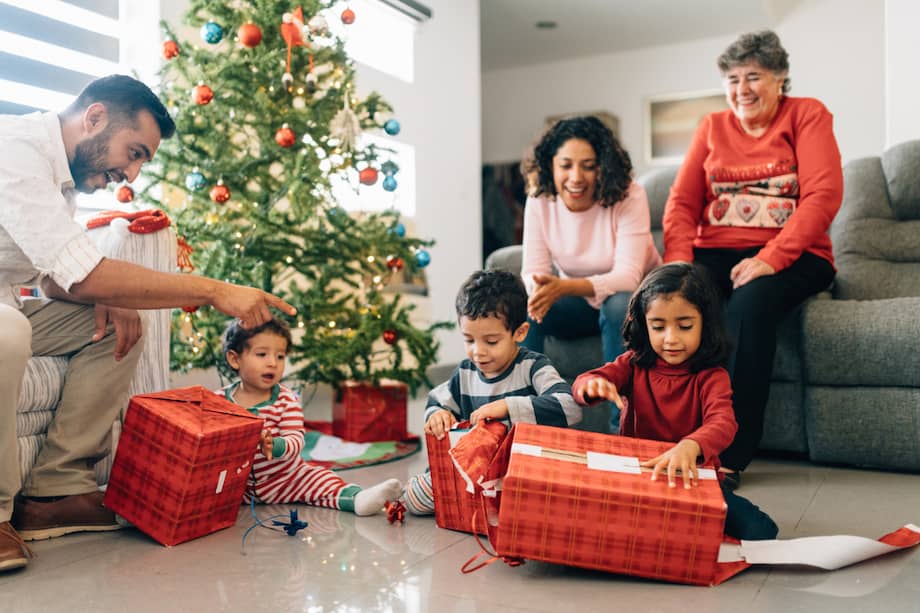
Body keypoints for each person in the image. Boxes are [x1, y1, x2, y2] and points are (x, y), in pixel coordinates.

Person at [0, 75, 296, 572]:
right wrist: (215, 290)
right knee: (10, 332)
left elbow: (55, 274)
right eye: (132, 151)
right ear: (94, 117)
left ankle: (54, 490)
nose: (130, 174)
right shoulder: (16, 151)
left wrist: (110, 296)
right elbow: (86, 273)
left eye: (141, 161)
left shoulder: (61, 181)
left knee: (120, 324)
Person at [662, 30, 843, 487]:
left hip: (797, 254)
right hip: (716, 249)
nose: (742, 89)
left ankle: (726, 455)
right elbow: (682, 203)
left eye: (754, 76)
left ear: (780, 78)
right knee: (675, 305)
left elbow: (823, 195)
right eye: (732, 78)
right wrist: (679, 266)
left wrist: (772, 256)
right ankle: (665, 437)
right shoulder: (711, 126)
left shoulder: (807, 114)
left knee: (746, 307)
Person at [572, 263, 778, 541]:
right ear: (644, 324)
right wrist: (591, 385)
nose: (671, 339)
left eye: (684, 326)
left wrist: (691, 446)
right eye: (658, 326)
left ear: (705, 323)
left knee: (760, 531)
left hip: (694, 481)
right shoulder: (633, 364)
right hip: (638, 477)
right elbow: (589, 379)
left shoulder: (711, 376)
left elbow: (724, 422)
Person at [519, 116, 661, 430]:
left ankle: (623, 431)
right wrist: (540, 289)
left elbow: (628, 278)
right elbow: (533, 270)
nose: (576, 177)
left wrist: (563, 287)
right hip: (580, 304)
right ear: (550, 166)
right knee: (526, 308)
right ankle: (523, 428)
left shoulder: (628, 195)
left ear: (604, 167)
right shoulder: (540, 199)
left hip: (636, 304)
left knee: (617, 302)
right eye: (566, 165)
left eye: (588, 165)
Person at [402, 269, 581, 515]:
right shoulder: (465, 373)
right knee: (416, 499)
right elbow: (436, 401)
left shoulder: (533, 367)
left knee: (555, 499)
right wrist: (436, 414)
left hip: (524, 473)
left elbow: (570, 406)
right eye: (469, 340)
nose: (478, 352)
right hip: (477, 475)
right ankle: (387, 495)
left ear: (520, 333)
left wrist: (508, 406)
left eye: (491, 341)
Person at [217, 318, 402, 515]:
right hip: (239, 486)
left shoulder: (286, 400)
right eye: (262, 354)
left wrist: (276, 445)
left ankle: (356, 499)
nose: (272, 363)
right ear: (234, 359)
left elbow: (297, 439)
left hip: (287, 479)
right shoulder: (218, 401)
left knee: (319, 477)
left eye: (280, 356)